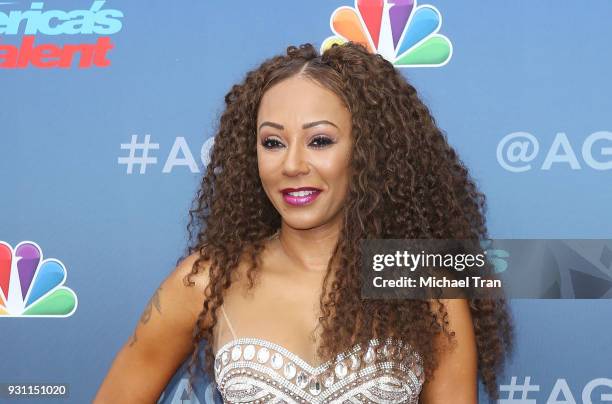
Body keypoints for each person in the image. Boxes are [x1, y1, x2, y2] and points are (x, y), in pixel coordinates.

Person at [94, 42, 514, 403]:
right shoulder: (208, 279)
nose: (292, 165)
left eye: (320, 141)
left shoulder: (424, 280)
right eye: (272, 143)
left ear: (367, 151)